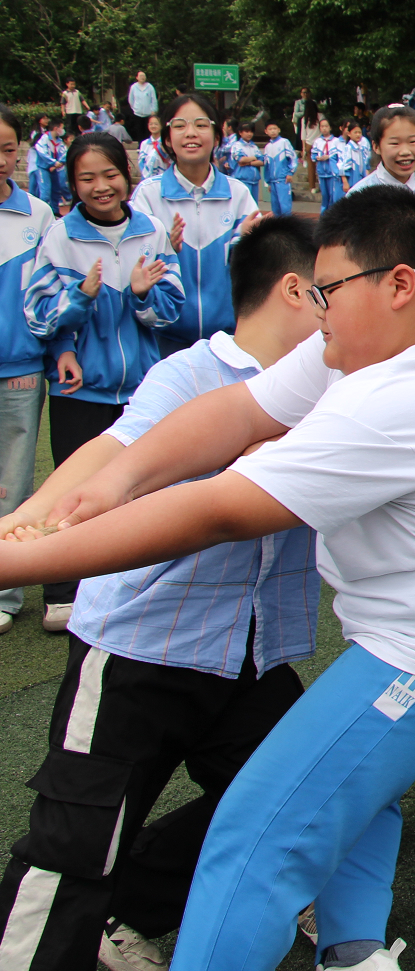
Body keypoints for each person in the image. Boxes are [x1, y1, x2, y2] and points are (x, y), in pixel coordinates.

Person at [3, 185, 415, 970]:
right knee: (356, 784)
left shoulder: (399, 394)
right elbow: (241, 411)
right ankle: (355, 950)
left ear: (398, 284)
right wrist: (111, 482)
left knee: (252, 838)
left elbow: (217, 511)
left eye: (329, 290)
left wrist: (17, 558)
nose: (317, 307)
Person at [0, 218, 320, 971]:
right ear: (297, 290)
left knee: (302, 796)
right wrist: (25, 525)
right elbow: (114, 453)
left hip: (250, 651)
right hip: (140, 648)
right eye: (335, 290)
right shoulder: (192, 374)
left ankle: (131, 907)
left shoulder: (335, 384)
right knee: (75, 845)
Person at [23, 132, 185, 631]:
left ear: (127, 177)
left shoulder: (151, 231)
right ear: (71, 183)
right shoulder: (60, 237)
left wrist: (140, 297)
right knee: (72, 486)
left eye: (110, 175)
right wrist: (81, 299)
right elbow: (38, 316)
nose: (100, 187)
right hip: (80, 390)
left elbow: (173, 307)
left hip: (141, 390)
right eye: (87, 178)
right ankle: (62, 591)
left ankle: (131, 585)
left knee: (138, 489)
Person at [131, 93, 265, 355]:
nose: (190, 133)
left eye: (201, 125)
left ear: (216, 137)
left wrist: (248, 244)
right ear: (168, 138)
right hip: (164, 342)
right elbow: (132, 267)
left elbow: (255, 272)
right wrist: (164, 249)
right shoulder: (148, 196)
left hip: (227, 344)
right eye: (180, 126)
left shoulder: (237, 195)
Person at [0, 107, 54, 635]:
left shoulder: (36, 215)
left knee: (13, 482)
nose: (0, 160)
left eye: (7, 148)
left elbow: (47, 295)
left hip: (18, 366)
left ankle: (6, 589)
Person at [350, 104, 415, 202]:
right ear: (376, 147)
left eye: (413, 141)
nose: (405, 152)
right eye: (395, 143)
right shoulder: (359, 196)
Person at [262, 120, 299, 217]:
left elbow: (293, 158)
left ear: (279, 130)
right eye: (270, 129)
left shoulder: (284, 142)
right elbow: (267, 166)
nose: (273, 131)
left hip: (283, 179)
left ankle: (287, 227)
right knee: (275, 207)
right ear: (266, 131)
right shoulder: (267, 147)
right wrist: (268, 182)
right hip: (273, 181)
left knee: (285, 206)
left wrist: (290, 172)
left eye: (275, 128)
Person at [227, 120, 265, 204]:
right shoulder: (237, 145)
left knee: (254, 206)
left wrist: (249, 162)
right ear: (240, 132)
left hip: (254, 180)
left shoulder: (254, 146)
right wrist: (255, 158)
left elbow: (262, 161)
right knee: (243, 205)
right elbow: (241, 160)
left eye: (251, 132)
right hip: (242, 180)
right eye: (247, 131)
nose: (249, 134)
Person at [312, 118, 347, 210]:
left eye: (326, 126)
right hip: (321, 172)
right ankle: (323, 214)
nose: (324, 128)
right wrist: (317, 158)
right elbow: (313, 154)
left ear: (330, 127)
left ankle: (331, 214)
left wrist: (328, 157)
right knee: (324, 195)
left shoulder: (336, 141)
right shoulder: (317, 141)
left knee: (333, 195)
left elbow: (338, 155)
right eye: (322, 126)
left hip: (332, 173)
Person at [138, 114, 168, 181]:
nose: (153, 126)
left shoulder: (166, 143)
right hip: (147, 178)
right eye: (151, 124)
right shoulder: (144, 143)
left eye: (156, 124)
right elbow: (141, 161)